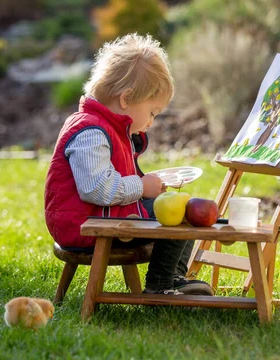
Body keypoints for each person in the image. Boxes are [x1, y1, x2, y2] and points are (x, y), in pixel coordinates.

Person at [44, 33, 213, 296]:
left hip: (105, 215)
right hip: (83, 224)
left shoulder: (110, 128)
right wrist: (141, 187)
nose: (151, 121)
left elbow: (116, 177)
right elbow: (96, 188)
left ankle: (174, 276)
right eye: (152, 112)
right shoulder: (90, 132)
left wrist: (148, 184)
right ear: (126, 99)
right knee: (178, 215)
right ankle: (161, 284)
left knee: (183, 209)